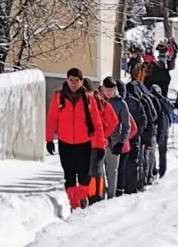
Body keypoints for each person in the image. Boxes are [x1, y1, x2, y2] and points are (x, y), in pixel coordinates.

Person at [45, 67, 97, 210]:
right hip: (65, 143)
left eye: (76, 81)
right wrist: (49, 139)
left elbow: (96, 122)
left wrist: (99, 145)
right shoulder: (58, 97)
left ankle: (82, 198)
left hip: (84, 143)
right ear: (67, 80)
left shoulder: (88, 99)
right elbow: (52, 119)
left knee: (84, 176)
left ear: (81, 82)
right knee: (69, 175)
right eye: (71, 80)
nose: (73, 83)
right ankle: (74, 204)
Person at [100, 76, 129, 199]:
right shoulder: (99, 101)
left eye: (110, 90)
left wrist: (121, 142)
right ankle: (100, 196)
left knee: (112, 172)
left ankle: (111, 197)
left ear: (115, 89)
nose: (108, 92)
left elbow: (127, 125)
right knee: (99, 172)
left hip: (114, 143)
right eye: (106, 89)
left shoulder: (120, 103)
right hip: (100, 142)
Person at [122, 72, 149, 193]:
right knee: (134, 163)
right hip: (134, 137)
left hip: (125, 137)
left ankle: (125, 187)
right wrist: (138, 133)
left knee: (125, 163)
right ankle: (133, 187)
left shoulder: (121, 102)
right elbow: (144, 120)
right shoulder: (137, 101)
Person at [150, 83, 173, 178]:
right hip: (156, 129)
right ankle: (154, 170)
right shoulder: (150, 101)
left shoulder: (164, 101)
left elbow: (171, 107)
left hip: (163, 128)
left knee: (161, 151)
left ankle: (162, 170)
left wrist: (159, 97)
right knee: (153, 150)